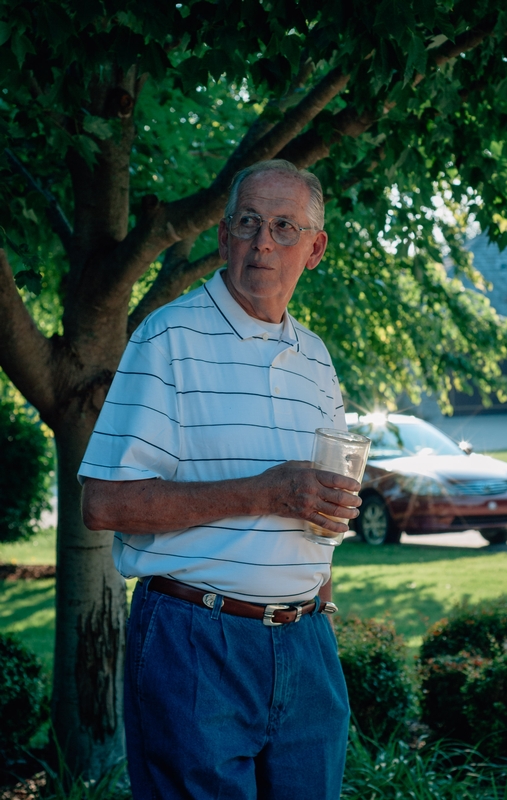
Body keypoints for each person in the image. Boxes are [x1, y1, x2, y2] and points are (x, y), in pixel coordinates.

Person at [79, 159, 361, 800]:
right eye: (249, 222)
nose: (264, 241)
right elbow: (103, 504)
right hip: (196, 641)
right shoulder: (166, 335)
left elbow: (322, 503)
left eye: (285, 227)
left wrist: (320, 585)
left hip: (307, 642)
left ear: (314, 249)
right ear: (222, 237)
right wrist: (265, 490)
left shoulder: (316, 358)